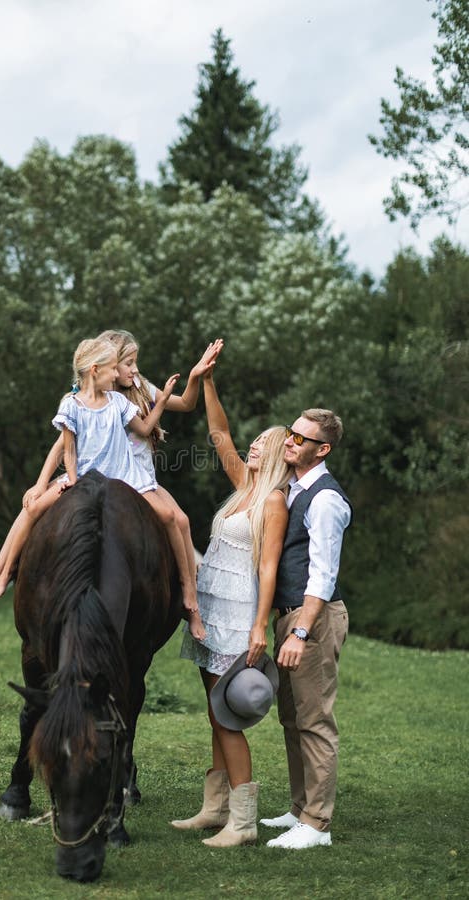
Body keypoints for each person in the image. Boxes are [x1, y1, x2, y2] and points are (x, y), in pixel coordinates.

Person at [171, 357, 292, 847]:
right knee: (213, 708)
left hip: (241, 615)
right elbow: (219, 434)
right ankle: (215, 807)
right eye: (255, 441)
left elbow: (268, 568)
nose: (255, 445)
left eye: (265, 442)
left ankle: (242, 822)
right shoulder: (245, 486)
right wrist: (209, 382)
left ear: (282, 455)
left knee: (227, 715)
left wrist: (260, 627)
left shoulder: (274, 501)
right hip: (213, 612)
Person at [0, 337, 179, 607]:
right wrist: (59, 482)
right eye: (115, 368)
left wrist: (162, 400)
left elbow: (146, 426)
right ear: (95, 369)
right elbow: (66, 450)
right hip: (81, 476)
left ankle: (183, 591)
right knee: (32, 509)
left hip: (122, 476)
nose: (118, 374)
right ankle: (1, 574)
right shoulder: (72, 405)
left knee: (170, 517)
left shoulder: (117, 401)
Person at [261, 411, 352, 850]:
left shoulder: (325, 499)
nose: (291, 441)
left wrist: (300, 632)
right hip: (289, 615)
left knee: (314, 720)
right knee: (292, 717)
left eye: (302, 437)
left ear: (323, 448)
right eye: (291, 432)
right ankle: (300, 809)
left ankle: (317, 825)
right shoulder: (296, 490)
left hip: (311, 618)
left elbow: (323, 574)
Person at [100, 329, 224, 640]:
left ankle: (190, 602)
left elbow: (185, 403)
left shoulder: (140, 387)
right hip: (114, 474)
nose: (136, 369)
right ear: (111, 365)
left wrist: (194, 375)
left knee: (179, 519)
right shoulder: (100, 396)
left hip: (144, 475)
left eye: (135, 362)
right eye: (130, 362)